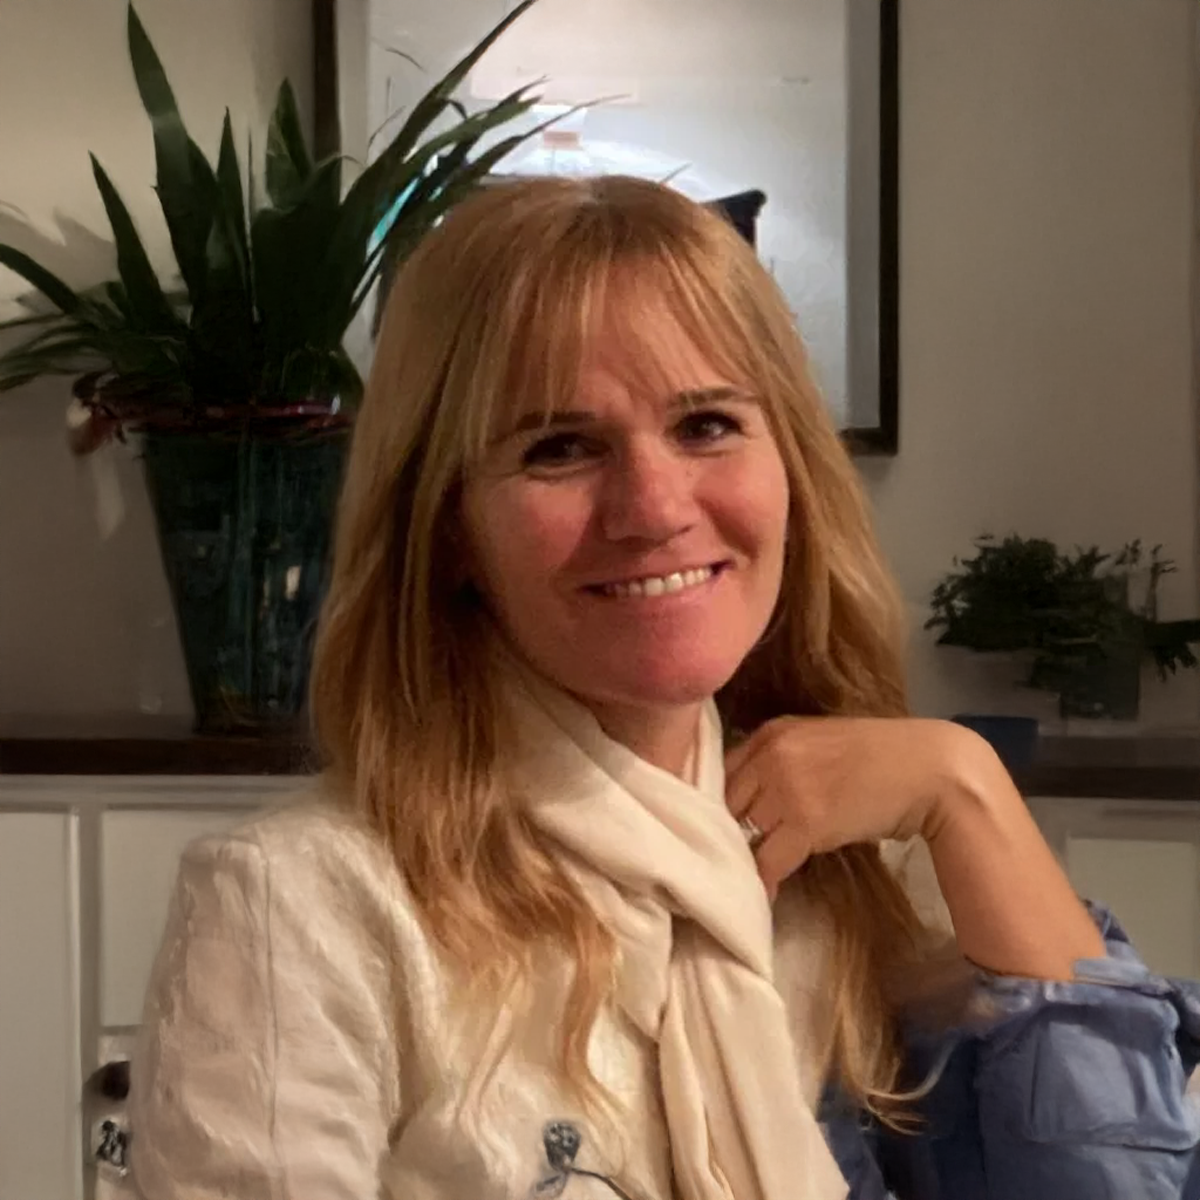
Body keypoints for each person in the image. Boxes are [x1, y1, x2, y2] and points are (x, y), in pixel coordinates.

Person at [127, 175, 1200, 1200]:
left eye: (706, 425)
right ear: (449, 527)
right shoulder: (303, 903)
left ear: (791, 472)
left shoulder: (865, 874)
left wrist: (968, 789)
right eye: (559, 447)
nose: (651, 506)